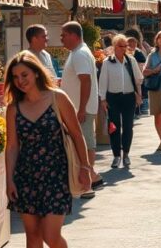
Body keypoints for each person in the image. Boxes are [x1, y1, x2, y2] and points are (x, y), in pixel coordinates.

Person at [4, 52, 90, 248]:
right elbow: (12, 146)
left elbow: (77, 135)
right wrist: (9, 180)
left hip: (56, 175)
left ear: (36, 73)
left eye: (24, 75)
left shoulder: (57, 98)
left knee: (50, 236)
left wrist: (85, 167)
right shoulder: (14, 108)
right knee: (32, 236)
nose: (20, 81)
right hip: (26, 176)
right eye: (15, 77)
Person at [58, 21, 102, 196]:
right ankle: (90, 177)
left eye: (64, 35)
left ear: (74, 36)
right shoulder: (78, 52)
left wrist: (81, 108)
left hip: (79, 108)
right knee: (83, 142)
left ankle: (89, 181)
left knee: (83, 143)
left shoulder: (79, 54)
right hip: (79, 107)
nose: (61, 39)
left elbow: (86, 80)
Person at [98, 35, 143, 168]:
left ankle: (126, 154)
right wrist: (103, 99)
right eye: (120, 46)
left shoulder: (131, 60)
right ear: (114, 46)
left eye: (125, 46)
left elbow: (138, 80)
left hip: (128, 97)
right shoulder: (107, 62)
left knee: (128, 126)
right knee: (114, 127)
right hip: (113, 98)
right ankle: (116, 155)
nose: (123, 49)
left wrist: (139, 95)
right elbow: (103, 82)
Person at [127, 33, 148, 116]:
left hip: (137, 76)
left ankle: (139, 108)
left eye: (134, 43)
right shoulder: (131, 52)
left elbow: (143, 63)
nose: (132, 45)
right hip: (134, 76)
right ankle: (137, 109)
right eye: (130, 43)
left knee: (139, 91)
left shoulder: (138, 52)